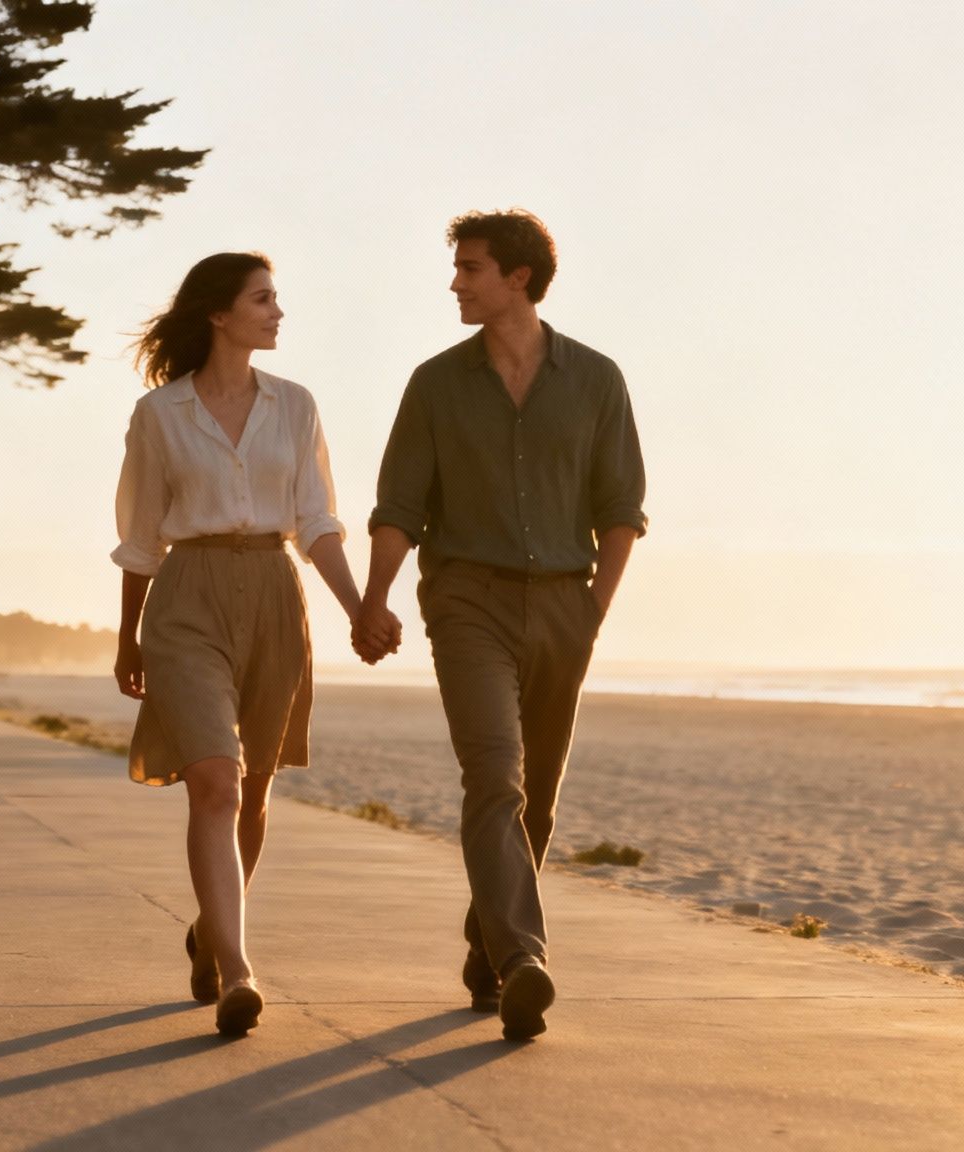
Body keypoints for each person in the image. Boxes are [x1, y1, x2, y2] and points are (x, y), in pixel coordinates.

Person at [354, 210, 647, 1040]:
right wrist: (373, 600)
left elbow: (621, 509)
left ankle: (488, 954)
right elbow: (398, 508)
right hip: (467, 601)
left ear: (518, 277)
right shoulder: (435, 384)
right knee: (495, 777)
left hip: (565, 601)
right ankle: (525, 958)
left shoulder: (596, 379)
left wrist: (594, 612)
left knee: (539, 800)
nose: (456, 283)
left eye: (471, 269)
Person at [112, 252, 379, 1037]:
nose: (277, 312)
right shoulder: (159, 415)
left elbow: (318, 523)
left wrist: (361, 607)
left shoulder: (295, 406)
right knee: (215, 782)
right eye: (263, 300)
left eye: (276, 299)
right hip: (187, 599)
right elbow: (139, 539)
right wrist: (127, 638)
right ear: (219, 315)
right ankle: (237, 970)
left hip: (272, 595)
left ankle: (210, 931)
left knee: (255, 790)